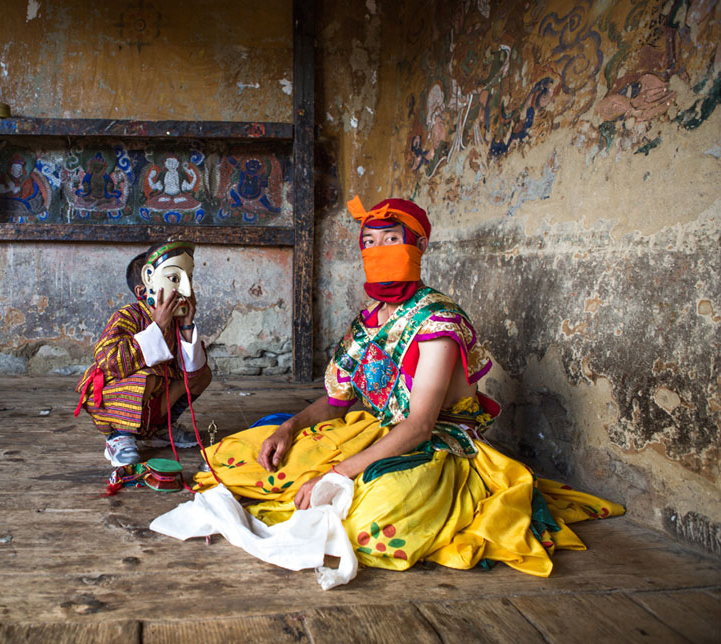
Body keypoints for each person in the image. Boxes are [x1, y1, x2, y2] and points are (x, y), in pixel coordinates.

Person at [193, 196, 623, 578]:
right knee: (237, 459)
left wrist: (340, 472)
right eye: (370, 242)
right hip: (376, 429)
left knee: (370, 525)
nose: (379, 251)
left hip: (436, 447)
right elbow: (336, 402)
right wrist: (289, 428)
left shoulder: (437, 321)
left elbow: (419, 425)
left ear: (419, 246)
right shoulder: (367, 322)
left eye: (391, 239)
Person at [76, 241, 213, 467]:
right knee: (149, 374)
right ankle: (119, 436)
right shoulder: (127, 316)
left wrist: (187, 326)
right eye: (175, 279)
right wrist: (157, 327)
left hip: (153, 401)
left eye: (189, 278)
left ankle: (160, 429)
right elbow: (108, 360)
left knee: (202, 375)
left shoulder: (177, 322)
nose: (187, 290)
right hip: (117, 397)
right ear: (145, 286)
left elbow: (192, 370)